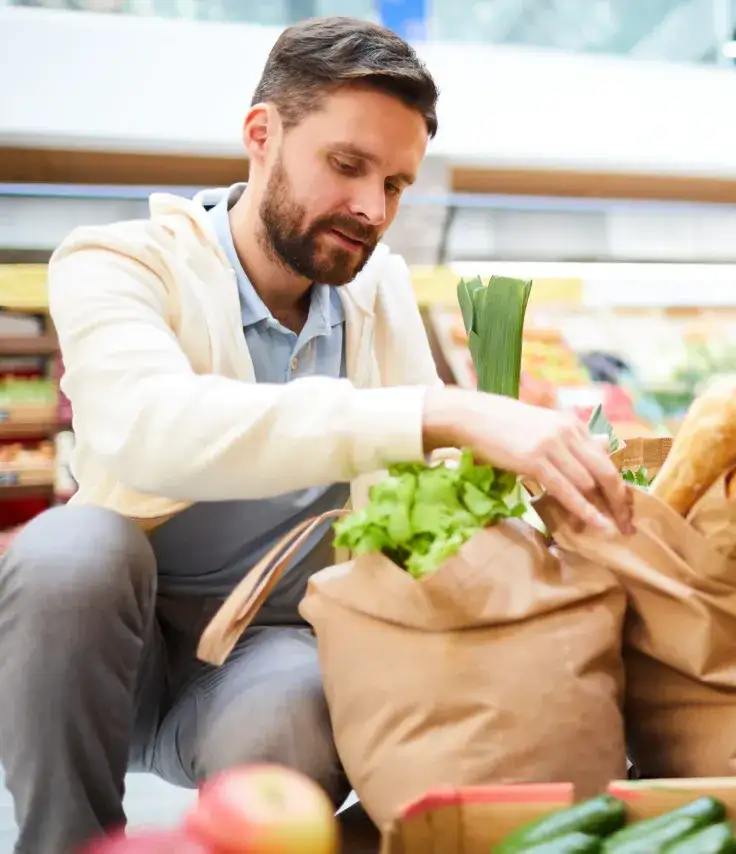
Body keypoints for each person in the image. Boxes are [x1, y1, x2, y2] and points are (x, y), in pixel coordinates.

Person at [0, 17, 630, 853]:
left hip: (272, 653)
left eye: (397, 185)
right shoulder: (119, 261)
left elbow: (421, 493)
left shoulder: (382, 292)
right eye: (347, 165)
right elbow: (150, 428)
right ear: (263, 134)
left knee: (294, 706)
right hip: (113, 652)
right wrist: (433, 411)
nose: (372, 209)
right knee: (68, 551)